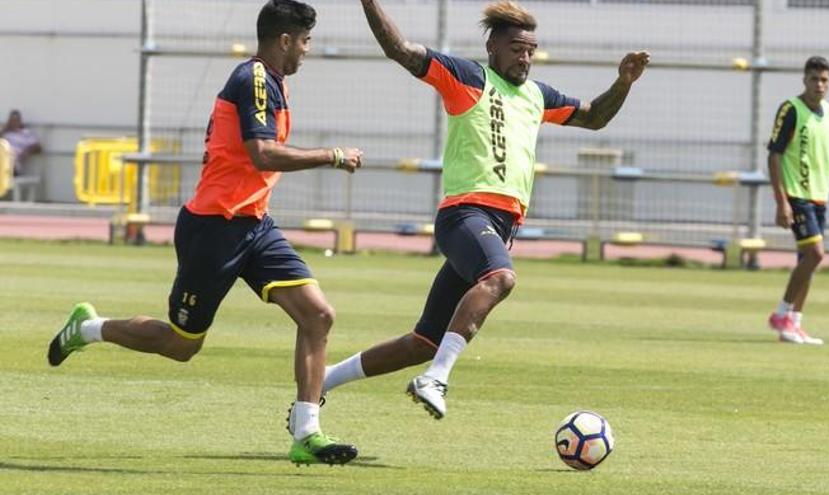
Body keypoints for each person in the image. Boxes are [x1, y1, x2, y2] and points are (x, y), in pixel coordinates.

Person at [46, 0, 362, 465]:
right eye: (305, 41)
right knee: (181, 345)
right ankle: (88, 328)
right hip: (215, 228)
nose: (307, 51)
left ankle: (306, 432)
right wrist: (332, 155)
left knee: (318, 316)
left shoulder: (270, 82)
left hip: (253, 223)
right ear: (284, 40)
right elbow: (262, 153)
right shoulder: (254, 78)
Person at [320, 0, 648, 419]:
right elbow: (399, 49)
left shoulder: (537, 95)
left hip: (498, 223)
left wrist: (624, 82)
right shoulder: (468, 77)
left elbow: (594, 118)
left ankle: (323, 378)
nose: (525, 57)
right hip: (466, 214)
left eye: (531, 49)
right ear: (493, 46)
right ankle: (436, 379)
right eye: (517, 48)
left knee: (424, 341)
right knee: (500, 277)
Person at [766, 56, 829, 345]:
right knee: (815, 254)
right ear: (804, 80)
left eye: (824, 80)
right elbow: (774, 155)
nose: (819, 85)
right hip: (797, 195)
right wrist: (781, 201)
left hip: (820, 198)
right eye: (814, 79)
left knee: (808, 262)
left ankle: (793, 325)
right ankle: (781, 313)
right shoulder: (790, 109)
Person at [0, 110, 42, 176]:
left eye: (16, 120)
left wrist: (27, 151)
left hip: (12, 161)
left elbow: (38, 147)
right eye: (12, 120)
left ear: (20, 121)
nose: (14, 122)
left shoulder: (26, 133)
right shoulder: (5, 133)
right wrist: (3, 130)